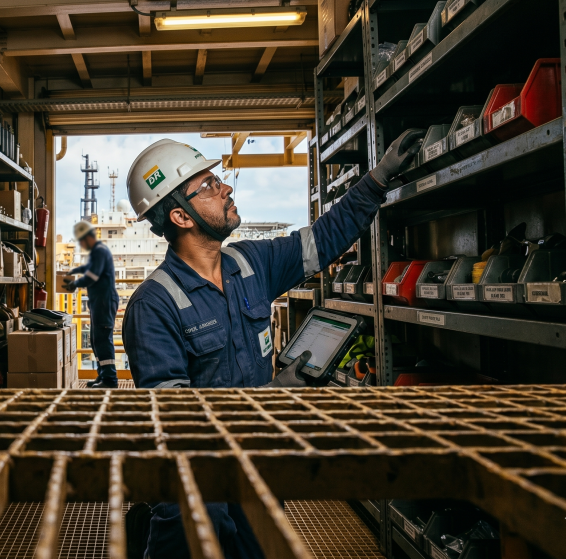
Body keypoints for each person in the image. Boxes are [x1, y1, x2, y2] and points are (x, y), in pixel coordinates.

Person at [121, 130, 424, 558]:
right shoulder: (153, 305)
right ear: (181, 217)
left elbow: (325, 237)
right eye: (207, 185)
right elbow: (177, 422)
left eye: (217, 178)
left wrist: (378, 178)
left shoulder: (252, 263)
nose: (224, 188)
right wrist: (269, 399)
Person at [64, 220, 121, 389]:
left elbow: (93, 275)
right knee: (96, 340)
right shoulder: (98, 251)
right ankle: (102, 375)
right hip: (99, 301)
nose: (81, 244)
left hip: (104, 301)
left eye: (81, 241)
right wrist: (75, 270)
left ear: (87, 237)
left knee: (103, 340)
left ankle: (110, 380)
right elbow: (90, 267)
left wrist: (75, 284)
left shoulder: (100, 251)